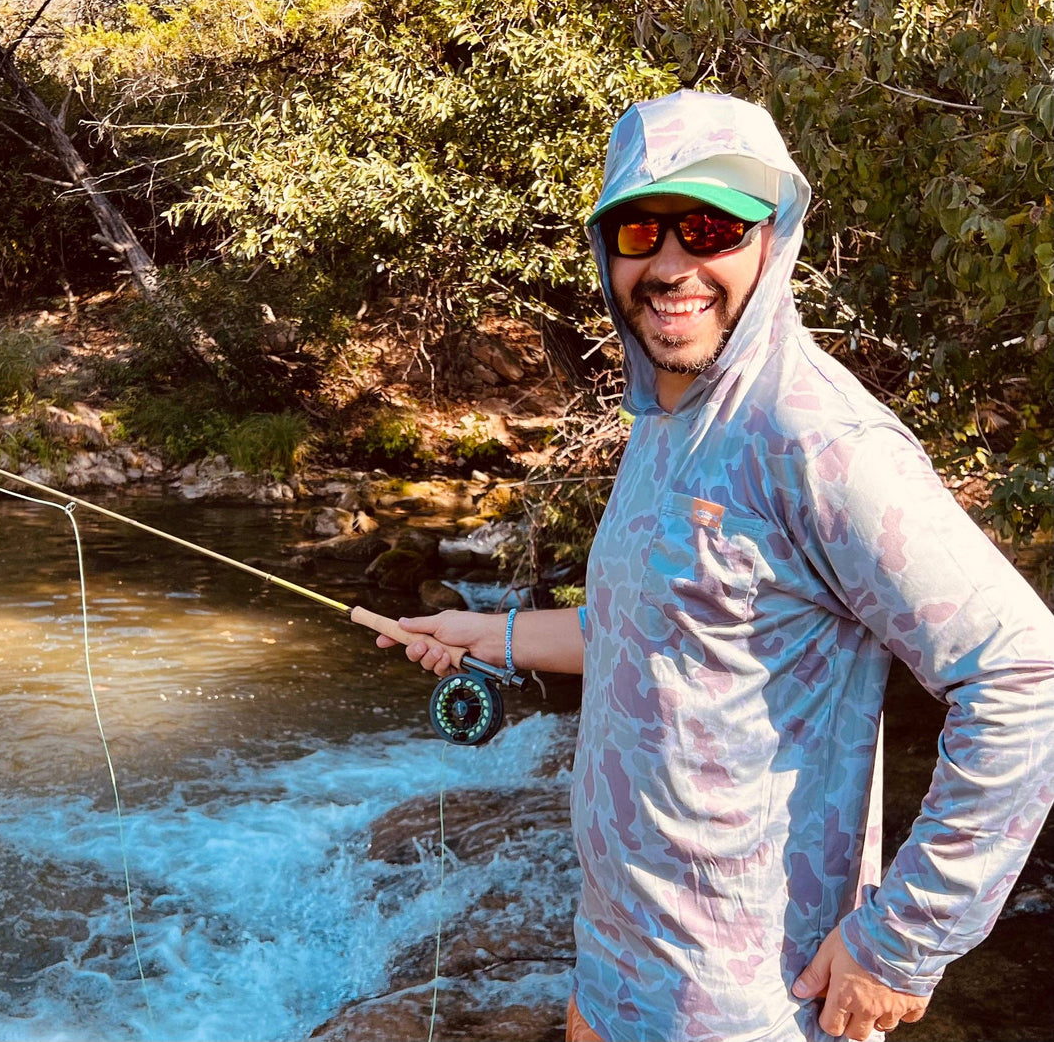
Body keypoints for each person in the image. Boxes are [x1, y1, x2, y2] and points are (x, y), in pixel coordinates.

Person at [378, 90, 1054, 1042]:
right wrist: (490, 634)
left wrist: (901, 943)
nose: (669, 264)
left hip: (747, 1009)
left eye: (709, 228)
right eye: (639, 230)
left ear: (771, 239)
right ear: (605, 250)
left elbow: (1024, 678)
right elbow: (656, 631)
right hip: (614, 977)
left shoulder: (818, 440)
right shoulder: (665, 416)